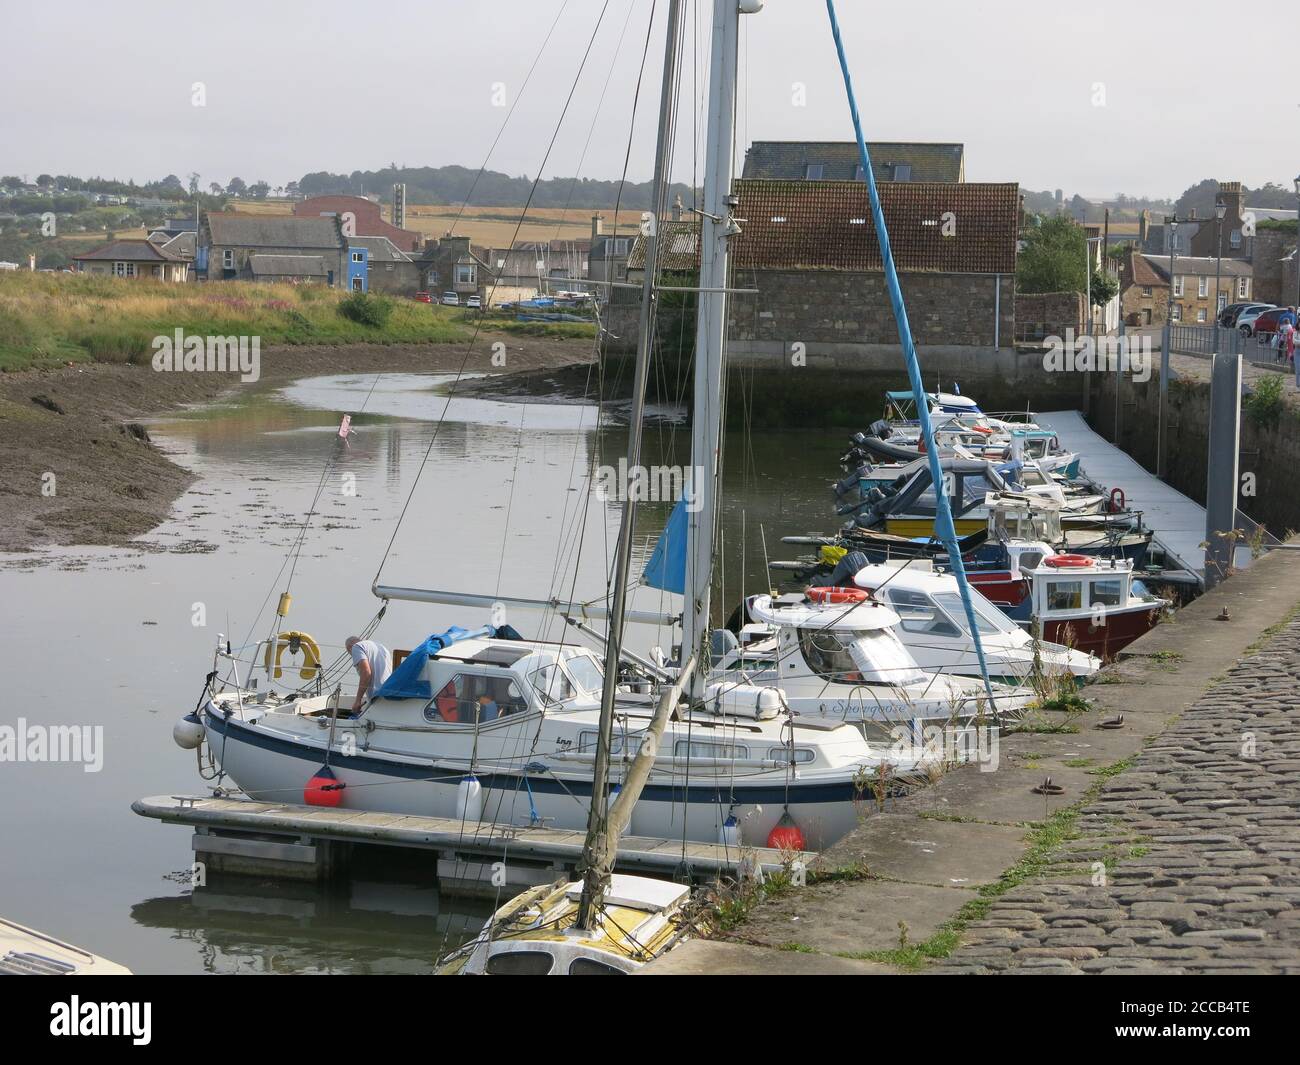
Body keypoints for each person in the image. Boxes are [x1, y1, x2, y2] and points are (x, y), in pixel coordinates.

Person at [346, 636, 392, 713]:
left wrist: (358, 700)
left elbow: (366, 673)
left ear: (349, 648)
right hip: (388, 693)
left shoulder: (356, 647)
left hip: (377, 697)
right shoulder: (382, 647)